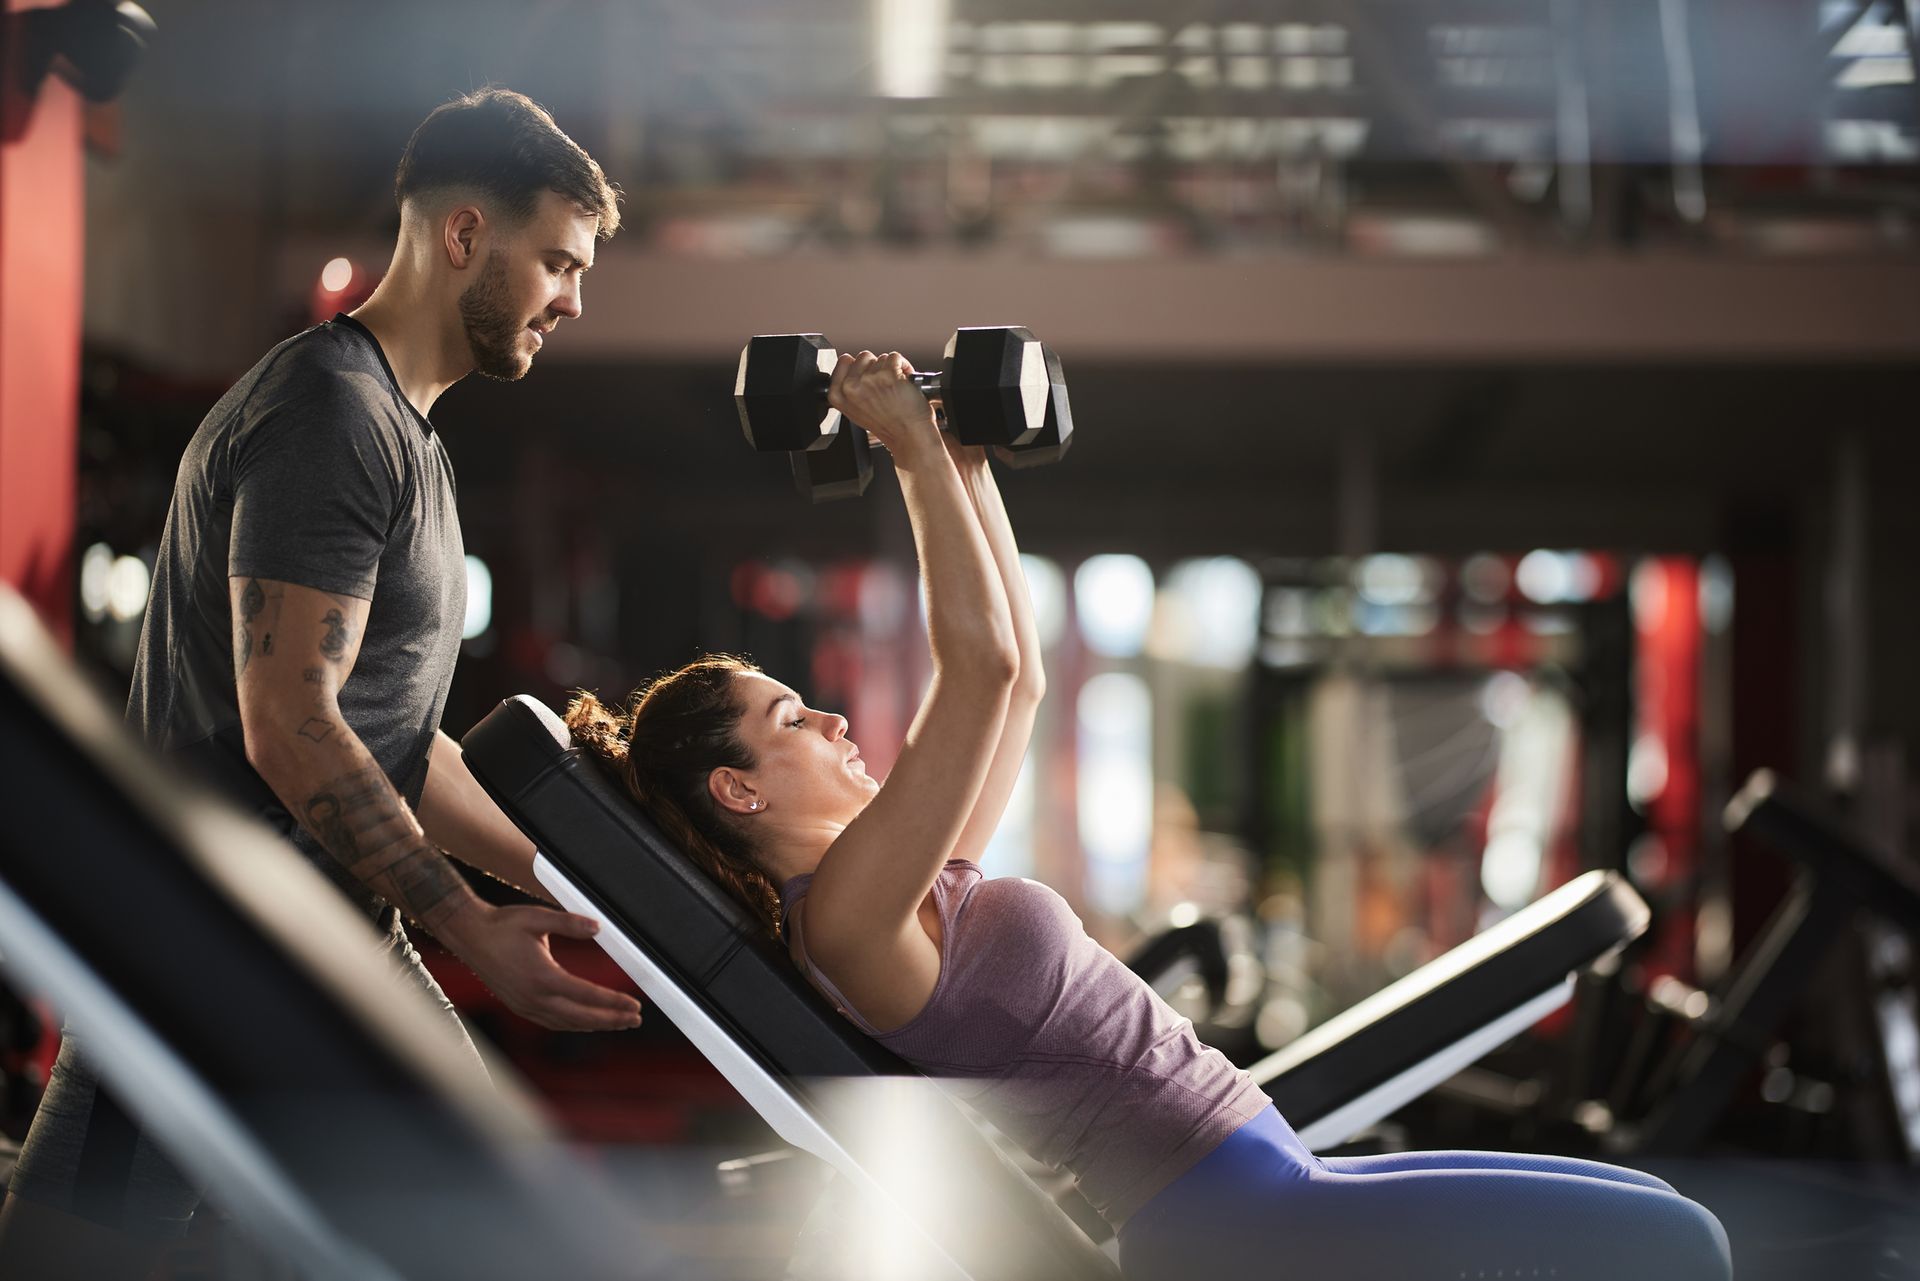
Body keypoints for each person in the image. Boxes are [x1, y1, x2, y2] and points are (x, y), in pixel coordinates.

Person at [563, 351, 1735, 1280]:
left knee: (1663, 1216)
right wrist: (909, 452)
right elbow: (974, 672)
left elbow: (1018, 680)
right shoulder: (847, 919)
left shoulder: (902, 880)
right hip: (1234, 1218)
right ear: (738, 790)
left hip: (1266, 1181)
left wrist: (964, 461)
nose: (827, 717)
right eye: (790, 718)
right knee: (1681, 1247)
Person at [0, 88, 645, 1280]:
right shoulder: (330, 416)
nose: (573, 300)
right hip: (212, 950)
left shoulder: (410, 441)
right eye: (559, 261)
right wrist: (469, 926)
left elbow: (402, 743)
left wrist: (599, 893)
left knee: (495, 1234)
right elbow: (292, 723)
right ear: (465, 233)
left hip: (329, 938)